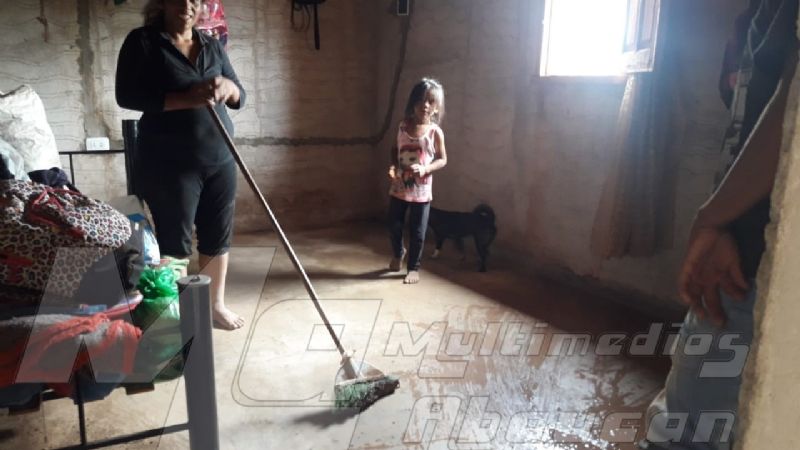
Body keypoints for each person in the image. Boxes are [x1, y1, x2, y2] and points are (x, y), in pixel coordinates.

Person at [642, 0, 798, 449]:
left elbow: (793, 110)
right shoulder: (761, 15)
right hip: (739, 246)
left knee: (685, 430)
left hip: (757, 264)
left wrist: (713, 216)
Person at [115, 0, 246, 330]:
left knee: (218, 236)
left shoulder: (211, 44)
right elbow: (127, 95)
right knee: (176, 242)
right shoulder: (143, 41)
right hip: (169, 161)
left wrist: (228, 88)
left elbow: (239, 96)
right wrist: (188, 98)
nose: (187, 5)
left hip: (220, 157)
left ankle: (215, 305)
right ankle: (182, 314)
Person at [387, 78, 448, 284]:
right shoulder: (403, 126)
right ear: (413, 102)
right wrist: (393, 166)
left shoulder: (434, 132)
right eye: (421, 100)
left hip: (421, 192)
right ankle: (398, 253)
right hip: (399, 187)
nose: (425, 105)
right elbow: (395, 150)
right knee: (393, 224)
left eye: (431, 102)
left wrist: (425, 168)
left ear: (437, 107)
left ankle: (413, 268)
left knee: (418, 230)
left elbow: (442, 159)